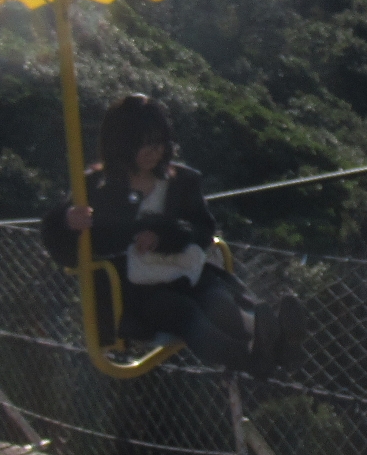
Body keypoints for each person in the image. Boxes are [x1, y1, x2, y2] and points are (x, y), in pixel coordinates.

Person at [41, 94, 303, 372]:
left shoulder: (181, 182)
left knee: (218, 299)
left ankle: (274, 339)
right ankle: (251, 355)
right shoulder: (97, 188)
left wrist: (164, 237)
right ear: (121, 145)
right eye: (142, 144)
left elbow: (202, 229)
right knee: (183, 312)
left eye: (157, 143)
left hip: (183, 271)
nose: (152, 152)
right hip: (137, 291)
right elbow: (59, 243)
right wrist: (68, 223)